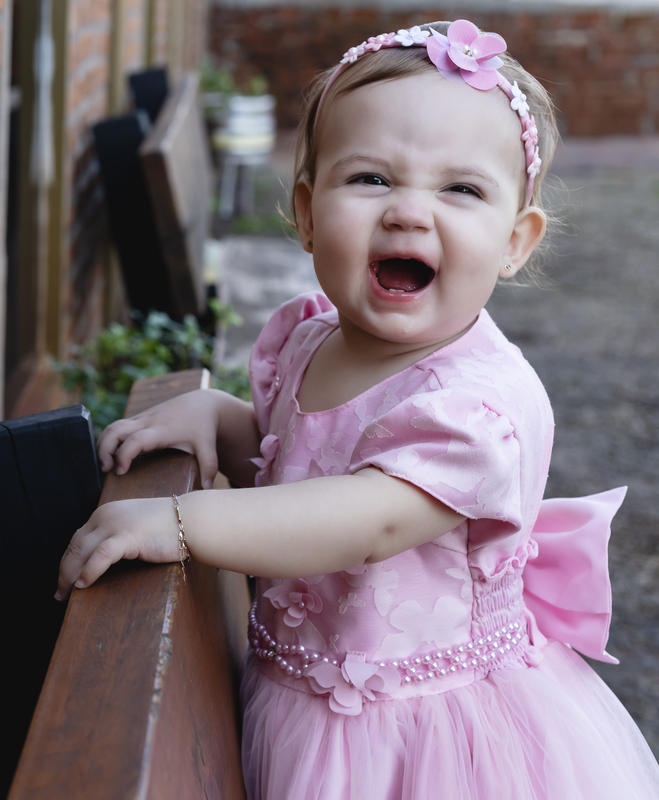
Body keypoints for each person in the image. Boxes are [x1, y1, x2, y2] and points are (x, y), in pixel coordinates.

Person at [54, 20, 659, 799]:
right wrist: (221, 419)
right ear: (307, 213)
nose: (409, 211)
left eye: (460, 189)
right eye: (371, 178)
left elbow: (364, 520)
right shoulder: (311, 340)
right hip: (307, 697)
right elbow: (292, 459)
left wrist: (178, 523)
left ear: (515, 241)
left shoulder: (479, 410)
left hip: (414, 735)